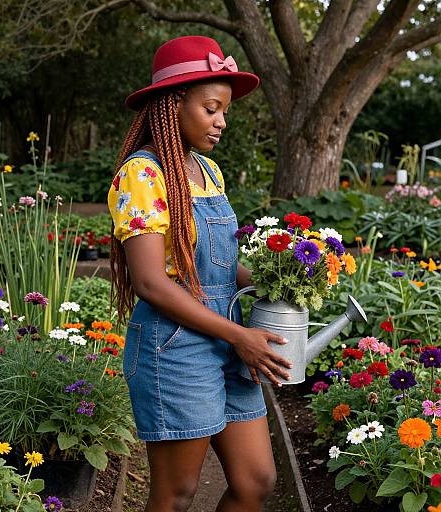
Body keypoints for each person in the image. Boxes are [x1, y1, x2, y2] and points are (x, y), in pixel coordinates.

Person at [107, 35, 293, 512]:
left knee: (256, 482)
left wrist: (281, 277)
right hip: (175, 344)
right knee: (176, 495)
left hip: (227, 335)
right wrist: (238, 336)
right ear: (173, 105)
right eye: (211, 108)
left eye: (225, 110)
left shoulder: (207, 171)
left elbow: (219, 265)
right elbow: (151, 282)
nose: (221, 122)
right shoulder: (143, 174)